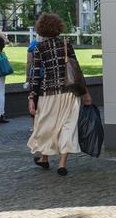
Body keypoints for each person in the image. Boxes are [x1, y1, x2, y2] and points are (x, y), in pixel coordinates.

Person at [26, 13, 91, 177]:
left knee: (47, 126)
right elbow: (77, 71)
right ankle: (60, 164)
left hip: (49, 94)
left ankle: (45, 158)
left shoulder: (38, 49)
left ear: (41, 29)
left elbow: (35, 77)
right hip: (69, 93)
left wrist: (32, 99)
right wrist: (85, 94)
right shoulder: (66, 45)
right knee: (67, 126)